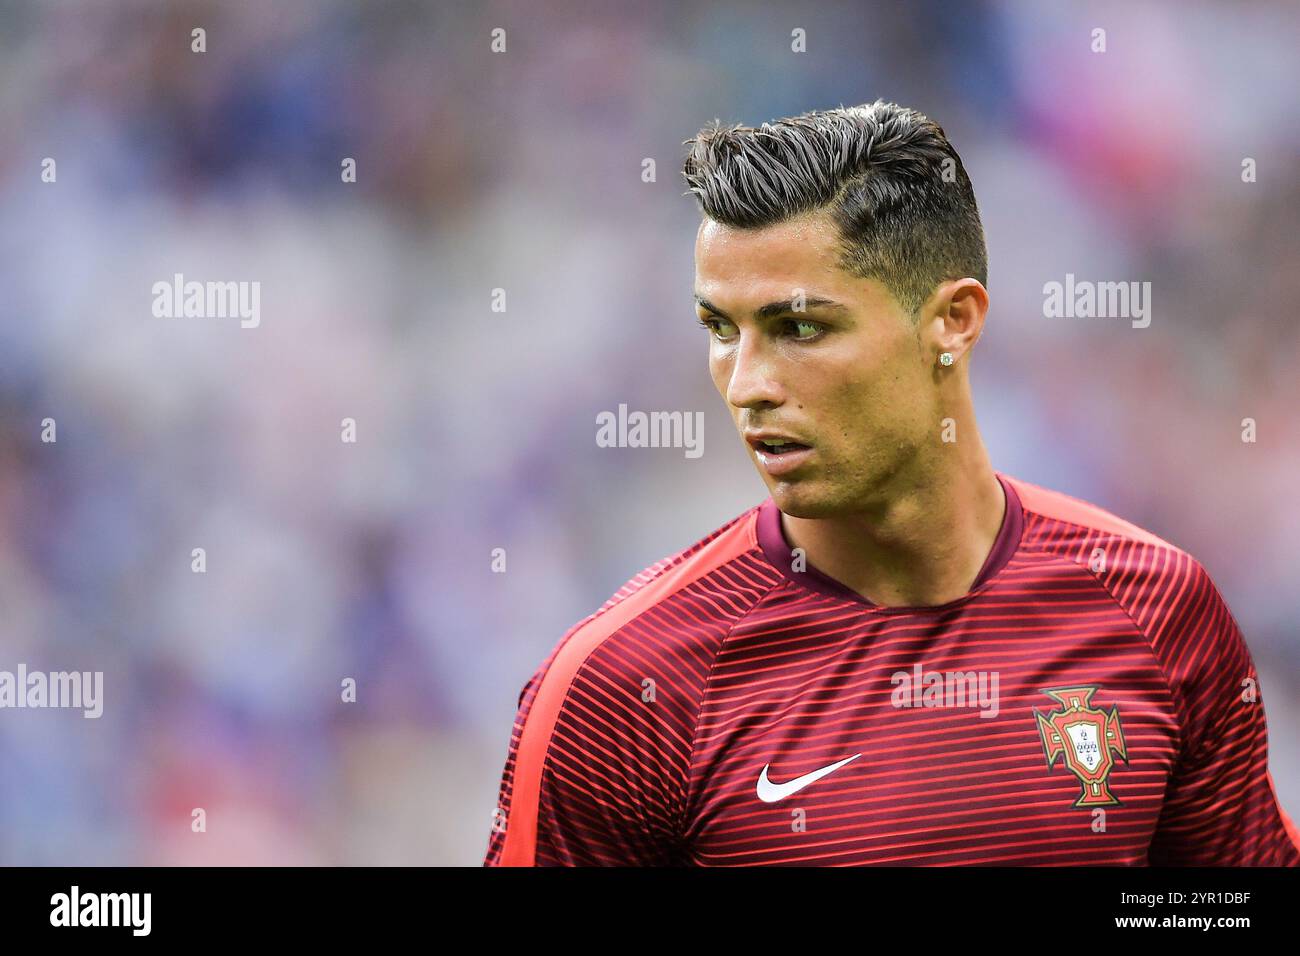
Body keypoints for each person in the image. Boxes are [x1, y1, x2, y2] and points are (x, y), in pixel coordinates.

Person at [483, 101, 1300, 866]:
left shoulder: (1159, 608)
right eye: (721, 330)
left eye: (800, 327)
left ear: (953, 321)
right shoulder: (621, 690)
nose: (746, 384)